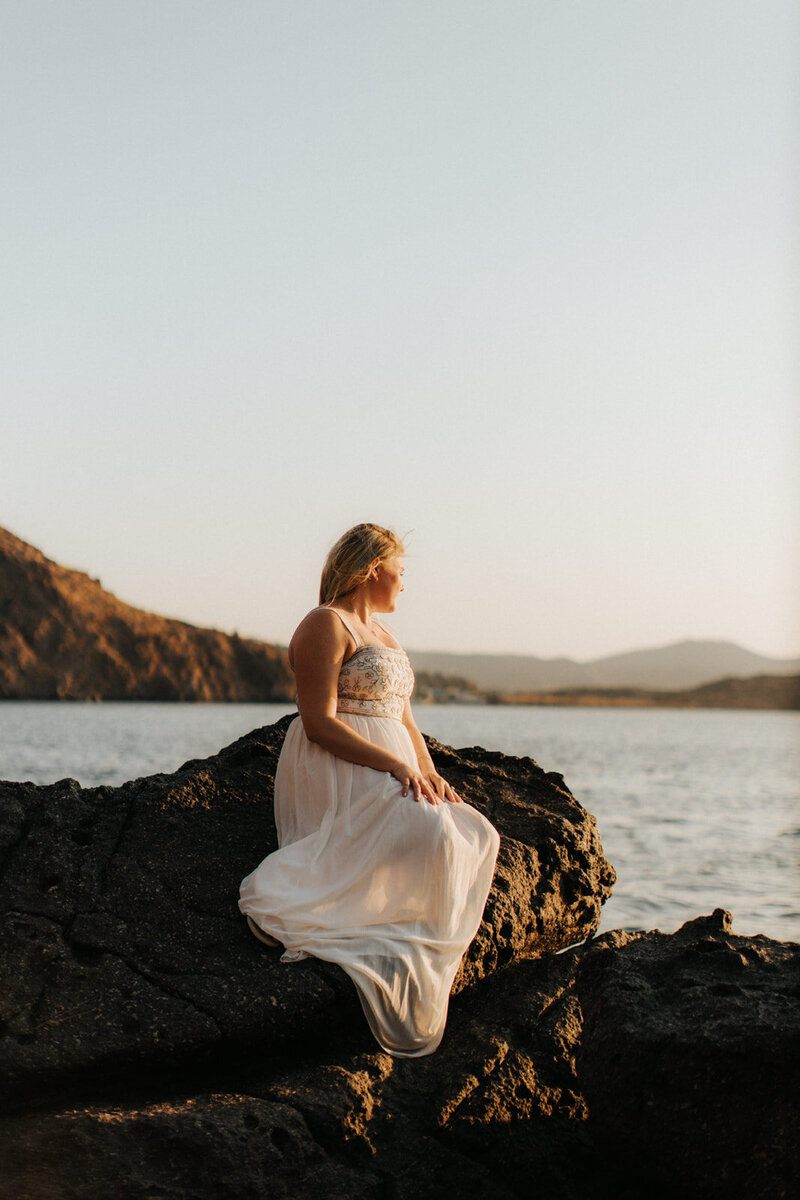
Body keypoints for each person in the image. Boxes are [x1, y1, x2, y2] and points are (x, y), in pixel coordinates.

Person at [238, 523, 500, 1057]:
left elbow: (405, 720)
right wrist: (394, 768)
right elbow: (317, 722)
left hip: (394, 761)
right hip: (339, 763)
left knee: (475, 833)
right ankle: (322, 907)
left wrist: (427, 771)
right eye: (401, 573)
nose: (405, 585)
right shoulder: (324, 624)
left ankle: (388, 923)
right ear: (374, 568)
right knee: (439, 840)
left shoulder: (385, 636)